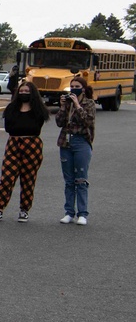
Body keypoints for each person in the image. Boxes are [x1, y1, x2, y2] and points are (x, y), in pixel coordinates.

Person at [0, 81, 50, 223]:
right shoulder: (12, 108)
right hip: (14, 144)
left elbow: (36, 126)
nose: (24, 94)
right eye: (21, 91)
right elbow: (8, 127)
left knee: (28, 179)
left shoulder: (38, 110)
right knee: (7, 177)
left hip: (32, 145)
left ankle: (24, 209)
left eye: (27, 91)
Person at [55, 76, 96, 225]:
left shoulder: (89, 103)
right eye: (72, 86)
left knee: (81, 179)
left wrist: (78, 105)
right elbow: (59, 122)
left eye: (77, 86)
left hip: (81, 142)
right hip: (66, 142)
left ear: (83, 88)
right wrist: (62, 106)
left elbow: (87, 121)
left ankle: (82, 213)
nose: (73, 88)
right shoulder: (67, 104)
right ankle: (69, 212)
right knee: (69, 180)